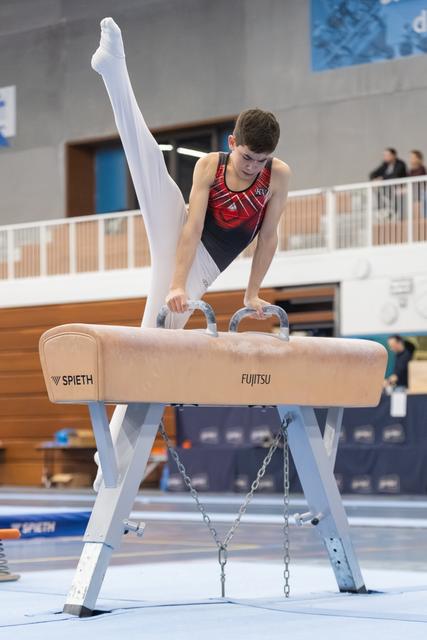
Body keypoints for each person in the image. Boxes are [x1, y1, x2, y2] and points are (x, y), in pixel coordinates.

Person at [91, 17, 291, 490]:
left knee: (151, 345)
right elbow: (193, 226)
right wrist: (177, 284)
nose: (252, 167)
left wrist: (252, 293)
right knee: (148, 165)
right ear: (232, 143)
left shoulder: (278, 176)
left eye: (261, 161)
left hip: (207, 265)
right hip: (182, 240)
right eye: (246, 158)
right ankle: (113, 68)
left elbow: (268, 236)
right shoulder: (210, 166)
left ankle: (111, 467)